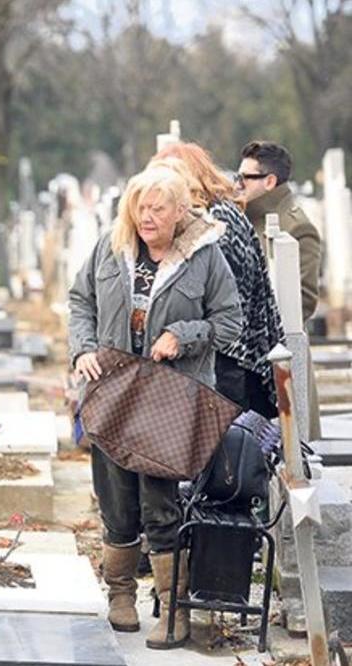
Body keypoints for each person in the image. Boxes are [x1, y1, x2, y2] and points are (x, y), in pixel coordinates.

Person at [69, 165, 242, 649]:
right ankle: (119, 594)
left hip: (169, 398)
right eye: (140, 206)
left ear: (179, 212)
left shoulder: (205, 257)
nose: (147, 216)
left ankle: (171, 606)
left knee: (160, 504)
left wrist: (182, 336)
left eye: (157, 208)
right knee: (115, 500)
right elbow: (80, 300)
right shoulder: (112, 246)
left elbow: (229, 322)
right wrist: (83, 348)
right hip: (112, 389)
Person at [150, 144, 284, 418]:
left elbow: (223, 301)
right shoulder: (216, 215)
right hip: (224, 356)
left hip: (229, 360)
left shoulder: (218, 223)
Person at [236, 140, 321, 323]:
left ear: (269, 181)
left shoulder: (297, 228)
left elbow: (302, 302)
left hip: (277, 346)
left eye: (244, 178)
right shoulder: (243, 219)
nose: (238, 185)